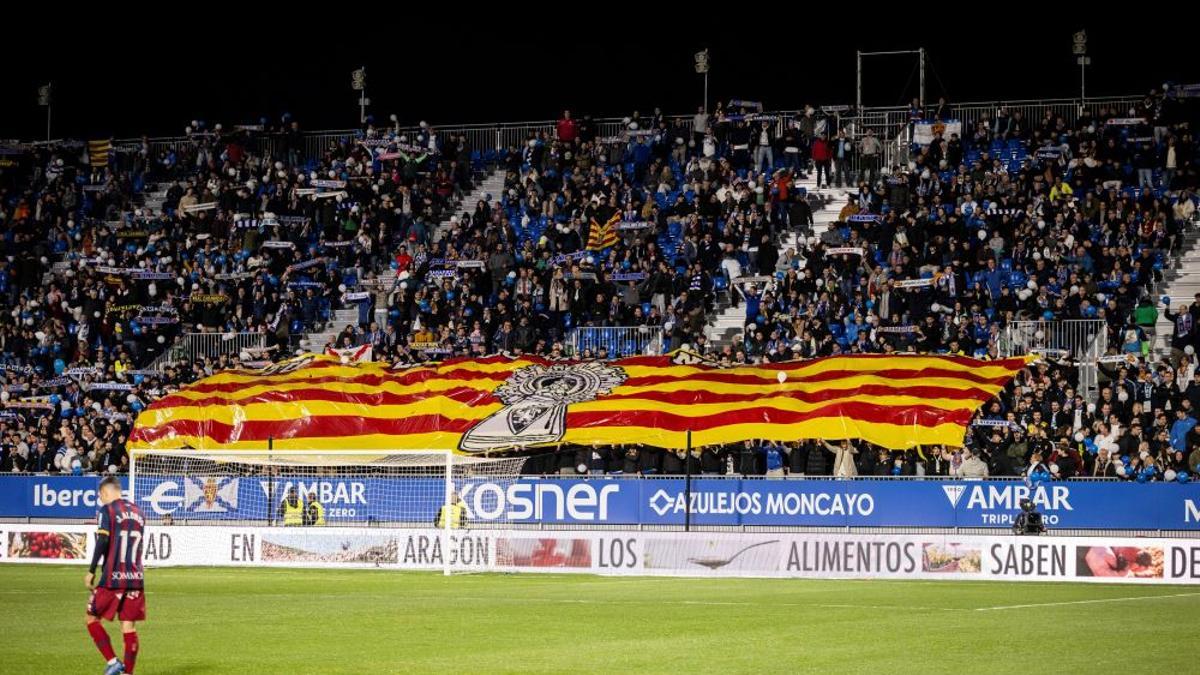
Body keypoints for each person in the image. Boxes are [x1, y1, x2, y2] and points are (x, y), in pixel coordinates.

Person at [86, 476, 146, 675]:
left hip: (113, 578)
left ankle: (112, 661)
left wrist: (91, 570)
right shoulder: (139, 512)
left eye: (101, 496)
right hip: (135, 579)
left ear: (105, 493)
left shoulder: (107, 510)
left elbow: (102, 541)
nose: (101, 500)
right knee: (128, 627)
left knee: (91, 619)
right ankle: (128, 673)